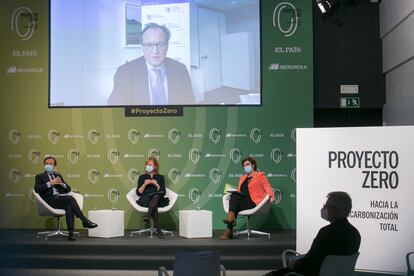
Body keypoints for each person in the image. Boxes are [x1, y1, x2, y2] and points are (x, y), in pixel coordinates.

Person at [264, 191, 361, 276]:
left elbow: (311, 264)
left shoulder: (326, 233)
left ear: (335, 210)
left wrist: (294, 264)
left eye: (326, 206)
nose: (324, 208)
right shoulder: (355, 234)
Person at [107, 23, 194, 105]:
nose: (155, 51)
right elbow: (115, 110)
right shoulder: (125, 73)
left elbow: (189, 104)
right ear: (142, 46)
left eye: (161, 44)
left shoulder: (180, 69)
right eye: (149, 45)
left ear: (167, 45)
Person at [34, 156, 97, 241]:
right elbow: (37, 189)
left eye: (50, 164)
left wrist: (61, 184)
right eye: (46, 163)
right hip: (49, 200)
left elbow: (68, 189)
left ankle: (70, 234)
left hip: (59, 199)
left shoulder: (57, 175)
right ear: (44, 165)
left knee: (69, 206)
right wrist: (49, 183)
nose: (48, 165)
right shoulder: (40, 176)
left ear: (54, 166)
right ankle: (84, 220)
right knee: (70, 199)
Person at [220, 157, 276, 240]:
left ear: (253, 165)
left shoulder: (260, 175)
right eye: (244, 165)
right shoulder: (242, 178)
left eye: (247, 164)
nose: (245, 166)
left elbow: (267, 187)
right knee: (234, 195)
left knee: (234, 207)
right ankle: (231, 218)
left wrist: (272, 196)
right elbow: (239, 190)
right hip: (243, 199)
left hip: (254, 201)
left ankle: (229, 230)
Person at [136, 157, 170, 238]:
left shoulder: (160, 177)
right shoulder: (142, 177)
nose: (148, 166)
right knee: (154, 204)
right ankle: (158, 231)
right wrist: (144, 184)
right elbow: (138, 193)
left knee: (156, 196)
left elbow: (163, 192)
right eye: (147, 164)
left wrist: (157, 185)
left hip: (158, 199)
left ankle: (148, 215)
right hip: (146, 199)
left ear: (155, 166)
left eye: (150, 164)